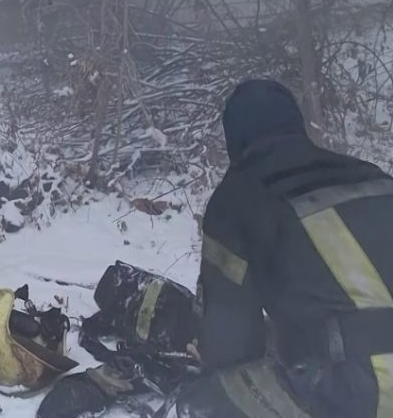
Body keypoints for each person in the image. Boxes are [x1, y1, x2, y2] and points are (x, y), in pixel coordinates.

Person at [161, 78, 393, 417]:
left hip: (361, 389)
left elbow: (230, 345)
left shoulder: (237, 197)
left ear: (234, 140)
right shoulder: (371, 176)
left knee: (205, 400)